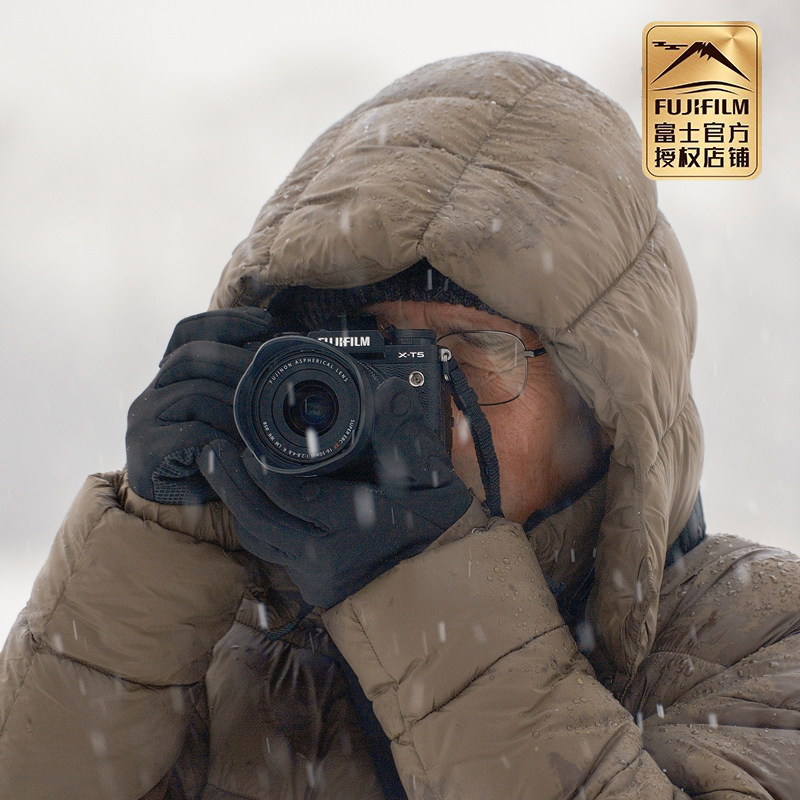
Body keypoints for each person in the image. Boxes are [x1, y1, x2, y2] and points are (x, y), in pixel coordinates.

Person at [0, 51, 797, 800]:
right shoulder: (218, 655)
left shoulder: (762, 634)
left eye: (473, 349)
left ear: (611, 407)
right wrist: (145, 571)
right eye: (369, 355)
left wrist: (425, 589)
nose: (416, 409)